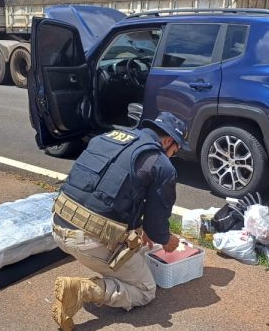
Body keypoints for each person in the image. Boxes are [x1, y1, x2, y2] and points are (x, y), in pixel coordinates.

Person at [50, 112, 188, 330]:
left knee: (137, 251)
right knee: (146, 290)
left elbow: (106, 190)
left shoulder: (111, 136)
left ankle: (102, 266)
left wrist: (137, 227)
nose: (171, 156)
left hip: (58, 224)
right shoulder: (161, 164)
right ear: (168, 141)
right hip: (89, 239)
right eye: (174, 151)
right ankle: (82, 290)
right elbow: (156, 224)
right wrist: (166, 239)